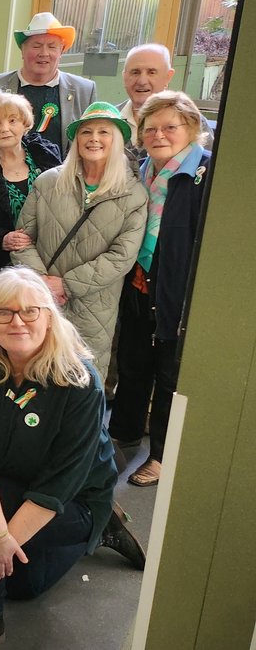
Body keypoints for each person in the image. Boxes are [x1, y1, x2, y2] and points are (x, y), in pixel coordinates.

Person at [0, 268, 144, 650]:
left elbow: (62, 479)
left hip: (73, 495)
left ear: (49, 317)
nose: (17, 321)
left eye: (31, 311)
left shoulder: (79, 381)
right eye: (4, 312)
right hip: (10, 479)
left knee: (12, 572)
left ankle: (103, 523)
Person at [109, 90, 211, 488]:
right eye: (150, 128)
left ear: (192, 128)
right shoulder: (142, 170)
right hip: (139, 282)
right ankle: (125, 432)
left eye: (170, 127)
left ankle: (162, 456)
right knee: (134, 363)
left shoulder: (204, 174)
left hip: (178, 289)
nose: (159, 135)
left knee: (170, 375)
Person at [12, 102, 148, 378]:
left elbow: (121, 257)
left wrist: (66, 284)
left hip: (94, 311)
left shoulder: (133, 196)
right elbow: (21, 239)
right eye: (86, 132)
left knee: (81, 383)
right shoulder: (48, 182)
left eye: (103, 132)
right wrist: (43, 282)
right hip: (40, 303)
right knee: (32, 380)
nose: (94, 139)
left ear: (118, 140)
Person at [0, 93, 62, 275]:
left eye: (12, 120)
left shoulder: (47, 156)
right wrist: (1, 239)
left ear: (25, 123)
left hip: (50, 260)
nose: (4, 129)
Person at [0, 12, 97, 156]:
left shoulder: (84, 90)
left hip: (63, 176)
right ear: (22, 50)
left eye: (52, 47)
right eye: (36, 46)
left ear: (61, 52)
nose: (44, 53)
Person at [118, 44, 213, 158]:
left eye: (151, 72)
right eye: (135, 72)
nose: (142, 81)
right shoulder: (108, 119)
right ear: (124, 76)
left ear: (168, 76)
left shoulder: (193, 122)